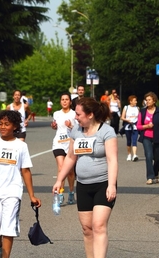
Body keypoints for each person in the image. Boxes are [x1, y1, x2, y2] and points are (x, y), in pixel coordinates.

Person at [52, 97, 118, 258]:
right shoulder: (76, 131)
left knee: (99, 225)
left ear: (90, 115)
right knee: (87, 228)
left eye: (78, 114)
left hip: (103, 184)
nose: (75, 117)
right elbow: (70, 157)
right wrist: (59, 180)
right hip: (83, 184)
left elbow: (112, 159)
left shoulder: (106, 131)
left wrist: (111, 185)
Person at [0, 110, 41, 258]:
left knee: (8, 228)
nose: (3, 127)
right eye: (0, 124)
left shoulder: (21, 146)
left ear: (15, 126)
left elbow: (25, 171)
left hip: (13, 191)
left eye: (7, 124)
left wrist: (32, 195)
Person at [50, 93, 76, 205]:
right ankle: (60, 193)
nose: (64, 101)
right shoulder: (56, 114)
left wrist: (71, 126)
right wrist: (53, 126)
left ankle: (71, 192)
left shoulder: (74, 114)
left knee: (70, 171)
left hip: (70, 143)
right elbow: (55, 127)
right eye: (62, 99)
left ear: (70, 102)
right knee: (61, 168)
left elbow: (79, 128)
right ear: (60, 102)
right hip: (58, 143)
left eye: (66, 99)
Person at [137, 92, 159, 185]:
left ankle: (156, 173)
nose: (147, 101)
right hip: (146, 137)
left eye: (149, 100)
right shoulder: (142, 112)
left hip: (158, 137)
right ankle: (150, 177)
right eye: (146, 100)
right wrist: (146, 126)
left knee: (157, 158)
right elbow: (138, 126)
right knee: (149, 156)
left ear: (154, 101)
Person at [120, 95, 140, 161]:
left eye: (136, 100)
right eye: (135, 100)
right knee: (129, 141)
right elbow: (122, 117)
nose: (136, 102)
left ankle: (134, 155)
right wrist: (127, 120)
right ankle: (129, 154)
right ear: (130, 101)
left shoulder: (137, 108)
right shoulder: (126, 107)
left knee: (134, 141)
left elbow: (139, 117)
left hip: (135, 127)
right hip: (128, 126)